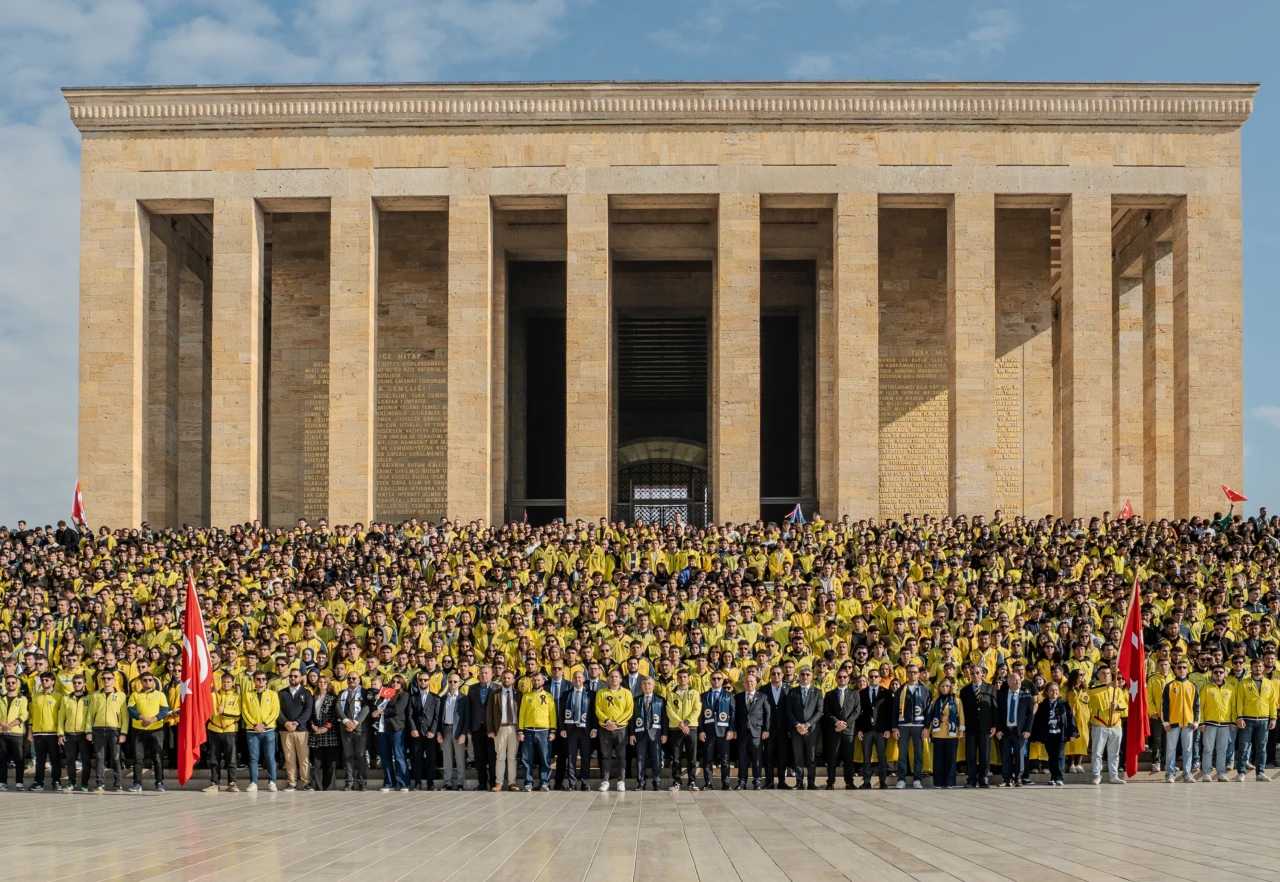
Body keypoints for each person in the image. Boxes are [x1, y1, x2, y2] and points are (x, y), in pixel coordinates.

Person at [1232, 657, 1277, 782]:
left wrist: (1273, 718)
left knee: (1262, 748)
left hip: (1264, 719)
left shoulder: (1269, 683)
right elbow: (1239, 701)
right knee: (1244, 747)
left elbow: (1272, 702)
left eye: (1260, 666)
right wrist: (1239, 717)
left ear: (1263, 668)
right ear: (1250, 668)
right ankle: (1241, 772)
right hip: (1247, 718)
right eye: (1255, 666)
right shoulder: (1244, 683)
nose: (1258, 669)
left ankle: (1260, 772)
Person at [127, 671, 170, 792]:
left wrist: (152, 720)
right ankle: (137, 783)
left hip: (156, 730)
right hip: (138, 730)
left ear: (153, 681)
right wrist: (143, 718)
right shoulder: (135, 695)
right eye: (145, 680)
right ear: (141, 682)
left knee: (157, 758)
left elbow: (164, 710)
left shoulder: (160, 694)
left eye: (150, 680)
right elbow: (131, 710)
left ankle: (159, 782)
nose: (147, 682)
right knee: (138, 758)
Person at [87, 669, 128, 792]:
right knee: (100, 757)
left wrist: (123, 733)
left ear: (114, 680)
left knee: (115, 757)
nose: (106, 681)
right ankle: (100, 783)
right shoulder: (95, 695)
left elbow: (124, 716)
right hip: (98, 729)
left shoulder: (120, 695)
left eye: (109, 678)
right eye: (104, 679)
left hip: (114, 729)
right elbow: (90, 714)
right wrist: (88, 730)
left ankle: (118, 783)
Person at [1160, 660, 1200, 783]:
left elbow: (1196, 705)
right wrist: (1165, 722)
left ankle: (1187, 774)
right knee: (1171, 749)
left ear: (1187, 670)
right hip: (1173, 723)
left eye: (1184, 667)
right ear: (1175, 670)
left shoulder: (1192, 686)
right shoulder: (1170, 686)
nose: (1182, 669)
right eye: (1179, 667)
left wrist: (1196, 721)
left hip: (1188, 722)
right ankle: (1170, 773)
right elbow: (1164, 706)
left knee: (1187, 749)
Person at [1031, 681, 1077, 786]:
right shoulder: (1042, 705)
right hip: (1048, 734)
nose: (1054, 692)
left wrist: (1072, 733)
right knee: (1051, 756)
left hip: (1061, 734)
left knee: (1059, 755)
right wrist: (1037, 736)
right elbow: (1038, 722)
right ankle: (1053, 777)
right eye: (1052, 690)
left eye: (1056, 690)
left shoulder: (1064, 704)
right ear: (1047, 692)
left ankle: (1059, 777)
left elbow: (1070, 719)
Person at [1087, 666, 1127, 785]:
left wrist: (1118, 707)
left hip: (1115, 724)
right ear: (1098, 675)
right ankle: (1096, 774)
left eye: (1108, 673)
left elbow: (1124, 706)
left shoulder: (1118, 690)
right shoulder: (1095, 687)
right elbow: (1090, 692)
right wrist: (1107, 685)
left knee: (1114, 752)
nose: (1106, 675)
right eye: (1103, 673)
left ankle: (1113, 775)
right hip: (1100, 723)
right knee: (1097, 752)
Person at [594, 668, 633, 792]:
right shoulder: (601, 693)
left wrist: (617, 723)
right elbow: (598, 709)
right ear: (607, 679)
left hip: (621, 729)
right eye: (611, 676)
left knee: (621, 756)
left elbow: (629, 710)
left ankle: (621, 781)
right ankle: (605, 781)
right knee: (606, 755)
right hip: (605, 728)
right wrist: (607, 722)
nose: (614, 678)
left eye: (616, 677)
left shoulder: (627, 693)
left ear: (620, 679)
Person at [958, 664, 997, 788]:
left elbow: (994, 708)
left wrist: (994, 725)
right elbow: (962, 710)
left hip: (985, 726)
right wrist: (962, 727)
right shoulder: (964, 690)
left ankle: (983, 778)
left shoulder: (990, 688)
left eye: (977, 673)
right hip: (970, 727)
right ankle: (971, 779)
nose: (975, 675)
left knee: (985, 754)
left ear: (982, 674)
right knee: (970, 754)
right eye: (972, 673)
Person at [242, 670, 280, 792]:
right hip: (252, 730)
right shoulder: (247, 694)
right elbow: (245, 711)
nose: (261, 681)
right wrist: (254, 724)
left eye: (263, 679)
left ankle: (272, 782)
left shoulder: (272, 694)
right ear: (254, 680)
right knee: (253, 757)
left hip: (268, 729)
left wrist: (263, 724)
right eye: (258, 679)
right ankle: (253, 782)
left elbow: (275, 712)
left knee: (270, 757)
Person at [558, 669, 596, 791]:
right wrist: (562, 728)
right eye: (575, 678)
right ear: (572, 680)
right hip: (571, 730)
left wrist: (594, 728)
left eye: (580, 677)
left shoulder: (591, 694)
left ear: (584, 679)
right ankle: (572, 783)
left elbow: (594, 713)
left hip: (585, 730)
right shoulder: (566, 694)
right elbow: (561, 713)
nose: (578, 680)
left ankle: (585, 782)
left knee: (585, 757)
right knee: (571, 757)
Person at [518, 671, 557, 791]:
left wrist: (552, 731)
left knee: (545, 758)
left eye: (539, 680)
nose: (536, 682)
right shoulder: (526, 696)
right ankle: (528, 782)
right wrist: (520, 731)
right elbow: (522, 714)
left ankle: (544, 782)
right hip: (528, 731)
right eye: (534, 680)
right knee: (526, 759)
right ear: (531, 681)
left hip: (544, 731)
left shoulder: (548, 696)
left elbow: (552, 715)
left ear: (543, 681)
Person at [278, 667, 315, 791]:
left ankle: (305, 782)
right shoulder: (282, 693)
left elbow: (308, 710)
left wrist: (297, 723)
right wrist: (285, 723)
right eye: (291, 676)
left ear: (300, 678)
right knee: (289, 758)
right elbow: (277, 710)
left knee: (304, 757)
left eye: (295, 676)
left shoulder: (306, 693)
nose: (292, 678)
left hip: (301, 730)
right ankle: (292, 783)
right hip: (285, 730)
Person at [924, 676, 964, 789]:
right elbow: (930, 715)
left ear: (951, 687)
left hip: (952, 733)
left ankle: (949, 782)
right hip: (938, 733)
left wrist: (961, 729)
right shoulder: (935, 701)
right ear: (939, 688)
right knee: (938, 759)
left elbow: (961, 716)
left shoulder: (957, 700)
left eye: (947, 686)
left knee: (951, 759)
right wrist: (938, 718)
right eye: (942, 686)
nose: (945, 688)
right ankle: (938, 782)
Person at [893, 664, 929, 790]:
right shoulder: (901, 690)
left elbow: (928, 710)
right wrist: (895, 727)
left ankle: (917, 778)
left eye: (914, 672)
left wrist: (926, 727)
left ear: (918, 674)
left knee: (918, 753)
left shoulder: (925, 690)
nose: (912, 674)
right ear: (906, 674)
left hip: (919, 726)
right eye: (910, 672)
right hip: (903, 725)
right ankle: (901, 778)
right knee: (902, 754)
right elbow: (894, 710)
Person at [822, 668, 859, 790]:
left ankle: (849, 781)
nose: (842, 679)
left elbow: (856, 711)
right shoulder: (829, 694)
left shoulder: (855, 694)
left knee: (848, 757)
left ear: (848, 679)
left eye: (844, 677)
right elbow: (826, 711)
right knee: (832, 756)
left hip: (849, 730)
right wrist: (836, 722)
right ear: (836, 679)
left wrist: (845, 723)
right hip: (834, 730)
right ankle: (830, 782)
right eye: (839, 677)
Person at [1199, 663, 1236, 782]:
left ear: (1225, 674)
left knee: (1222, 750)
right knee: (1208, 750)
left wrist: (1233, 721)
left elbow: (1233, 706)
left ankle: (1221, 773)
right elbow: (1200, 706)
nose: (1218, 674)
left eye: (1221, 672)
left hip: (1225, 724)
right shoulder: (1206, 688)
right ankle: (1206, 773)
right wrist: (1201, 722)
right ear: (1212, 674)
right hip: (1210, 723)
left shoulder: (1230, 688)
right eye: (1216, 672)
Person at [205, 671, 241, 792]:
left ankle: (232, 782)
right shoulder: (215, 694)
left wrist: (224, 710)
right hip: (214, 729)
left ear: (232, 683)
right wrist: (210, 692)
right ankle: (214, 782)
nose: (225, 684)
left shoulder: (237, 697)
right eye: (224, 682)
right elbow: (206, 705)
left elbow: (238, 713)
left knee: (231, 758)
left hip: (230, 729)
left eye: (228, 682)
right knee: (214, 758)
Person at [701, 670, 737, 790]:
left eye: (718, 678)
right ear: (710, 681)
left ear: (722, 681)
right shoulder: (704, 696)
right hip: (709, 731)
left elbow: (733, 713)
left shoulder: (728, 695)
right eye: (714, 678)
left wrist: (731, 730)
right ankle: (708, 783)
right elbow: (700, 715)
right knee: (707, 759)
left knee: (725, 759)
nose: (716, 680)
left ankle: (726, 783)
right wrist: (701, 730)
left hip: (724, 732)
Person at [629, 676, 666, 791]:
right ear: (641, 686)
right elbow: (632, 718)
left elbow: (664, 718)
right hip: (640, 734)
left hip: (656, 734)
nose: (647, 686)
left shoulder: (660, 700)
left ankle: (657, 782)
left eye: (649, 684)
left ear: (654, 685)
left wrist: (665, 733)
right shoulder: (636, 700)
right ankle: (641, 783)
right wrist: (631, 734)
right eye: (644, 684)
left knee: (656, 759)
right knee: (640, 760)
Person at [373, 673, 410, 791]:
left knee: (399, 756)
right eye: (393, 681)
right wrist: (377, 700)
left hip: (396, 728)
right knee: (385, 757)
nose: (395, 684)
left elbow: (397, 710)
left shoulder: (403, 695)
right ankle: (389, 783)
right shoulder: (385, 695)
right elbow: (375, 707)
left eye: (398, 682)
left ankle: (404, 783)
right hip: (382, 729)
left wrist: (380, 712)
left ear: (402, 683)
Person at [57, 673, 93, 792]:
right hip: (69, 734)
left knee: (86, 760)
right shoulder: (66, 698)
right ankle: (71, 783)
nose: (76, 685)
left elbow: (91, 717)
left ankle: (84, 784)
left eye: (79, 683)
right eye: (74, 683)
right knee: (70, 761)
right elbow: (61, 717)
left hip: (84, 734)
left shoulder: (90, 698)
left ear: (84, 684)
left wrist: (90, 731)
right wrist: (60, 734)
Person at [665, 668, 700, 791]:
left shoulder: (695, 693)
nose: (682, 679)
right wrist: (680, 724)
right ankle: (676, 782)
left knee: (692, 757)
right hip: (675, 728)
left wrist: (686, 723)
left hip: (691, 728)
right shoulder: (671, 694)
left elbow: (697, 710)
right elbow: (669, 710)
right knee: (676, 757)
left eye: (685, 676)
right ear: (677, 678)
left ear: (688, 678)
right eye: (680, 677)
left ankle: (692, 782)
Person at [996, 670, 1032, 787]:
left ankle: (1018, 778)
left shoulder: (1026, 695)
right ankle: (1006, 779)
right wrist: (998, 729)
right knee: (1005, 755)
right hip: (1005, 730)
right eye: (1015, 679)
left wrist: (1028, 729)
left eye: (1019, 679)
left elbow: (1030, 714)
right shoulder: (1001, 696)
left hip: (1019, 730)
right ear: (1009, 681)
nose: (1018, 681)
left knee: (1019, 755)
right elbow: (998, 714)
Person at [858, 669, 894, 789]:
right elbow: (858, 713)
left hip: (881, 729)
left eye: (876, 676)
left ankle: (882, 781)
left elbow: (890, 713)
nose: (874, 678)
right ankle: (866, 781)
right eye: (871, 676)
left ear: (879, 678)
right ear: (868, 678)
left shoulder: (887, 693)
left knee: (882, 756)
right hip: (866, 729)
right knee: (866, 756)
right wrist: (859, 729)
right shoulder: (861, 693)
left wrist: (889, 729)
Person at [736, 672, 771, 790]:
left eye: (751, 681)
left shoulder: (762, 696)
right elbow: (734, 715)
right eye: (747, 681)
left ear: (756, 683)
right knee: (742, 757)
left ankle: (757, 781)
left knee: (757, 757)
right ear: (743, 684)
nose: (749, 683)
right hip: (742, 732)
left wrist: (766, 729)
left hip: (757, 731)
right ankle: (742, 782)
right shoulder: (738, 697)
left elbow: (768, 714)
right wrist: (734, 729)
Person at [489, 669, 522, 791]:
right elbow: (489, 713)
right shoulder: (495, 694)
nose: (506, 680)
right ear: (501, 679)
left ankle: (512, 783)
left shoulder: (519, 694)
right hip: (500, 728)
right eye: (504, 678)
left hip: (514, 728)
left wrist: (521, 730)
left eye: (509, 678)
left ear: (513, 680)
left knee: (512, 757)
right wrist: (490, 730)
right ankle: (499, 783)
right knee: (500, 756)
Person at [28, 671, 62, 791]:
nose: (44, 682)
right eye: (42, 680)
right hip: (38, 733)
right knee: (40, 759)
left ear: (53, 681)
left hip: (52, 733)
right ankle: (38, 782)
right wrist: (30, 731)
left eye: (47, 680)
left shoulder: (58, 696)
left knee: (54, 759)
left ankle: (56, 782)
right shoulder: (36, 696)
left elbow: (61, 716)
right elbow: (31, 715)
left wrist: (60, 733)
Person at [409, 672, 441, 791]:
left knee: (432, 758)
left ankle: (430, 782)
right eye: (421, 680)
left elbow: (437, 716)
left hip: (430, 733)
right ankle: (417, 782)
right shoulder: (412, 697)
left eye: (425, 680)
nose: (423, 682)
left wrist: (433, 730)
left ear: (429, 681)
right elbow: (410, 715)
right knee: (417, 758)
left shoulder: (435, 697)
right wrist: (413, 728)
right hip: (416, 733)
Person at [338, 671, 371, 791]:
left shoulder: (365, 693)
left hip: (360, 729)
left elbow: (366, 708)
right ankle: (349, 782)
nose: (351, 680)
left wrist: (355, 722)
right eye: (349, 678)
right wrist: (346, 721)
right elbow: (337, 707)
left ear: (359, 680)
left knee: (361, 756)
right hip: (345, 728)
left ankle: (362, 782)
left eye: (354, 678)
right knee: (348, 756)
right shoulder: (342, 693)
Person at [438, 673, 469, 791]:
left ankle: (460, 782)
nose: (453, 684)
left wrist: (463, 733)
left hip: (458, 731)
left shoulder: (464, 698)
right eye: (450, 681)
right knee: (447, 757)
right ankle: (447, 782)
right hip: (445, 729)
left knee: (460, 758)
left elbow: (467, 718)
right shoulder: (443, 698)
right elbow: (439, 716)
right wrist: (439, 732)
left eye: (455, 682)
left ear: (459, 683)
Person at [309, 674, 340, 791]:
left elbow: (334, 715)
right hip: (316, 733)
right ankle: (319, 785)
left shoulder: (333, 698)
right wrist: (313, 725)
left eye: (324, 682)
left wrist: (326, 727)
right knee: (317, 762)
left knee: (330, 762)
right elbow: (311, 714)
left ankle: (329, 786)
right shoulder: (314, 697)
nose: (322, 684)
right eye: (320, 682)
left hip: (329, 733)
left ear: (328, 684)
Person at [467, 665, 496, 792]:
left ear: (491, 675)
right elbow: (469, 709)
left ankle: (494, 782)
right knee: (479, 758)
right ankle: (482, 783)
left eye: (486, 673)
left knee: (492, 757)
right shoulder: (472, 689)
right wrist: (468, 726)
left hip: (491, 729)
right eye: (481, 673)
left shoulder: (497, 688)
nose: (483, 675)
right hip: (477, 727)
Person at [762, 665, 790, 790]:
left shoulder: (789, 689)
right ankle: (769, 781)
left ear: (783, 675)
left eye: (778, 673)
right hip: (769, 728)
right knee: (768, 755)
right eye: (773, 673)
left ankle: (782, 781)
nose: (776, 676)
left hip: (784, 728)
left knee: (783, 755)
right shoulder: (763, 689)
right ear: (770, 675)